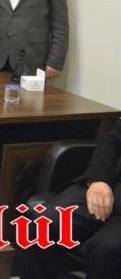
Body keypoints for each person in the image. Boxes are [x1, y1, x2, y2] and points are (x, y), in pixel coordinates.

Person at [22, 119, 121, 279]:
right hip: (107, 185)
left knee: (106, 249)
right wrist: (99, 180)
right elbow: (112, 142)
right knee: (46, 222)